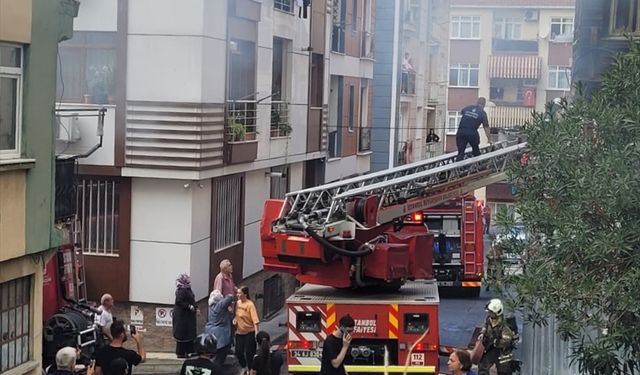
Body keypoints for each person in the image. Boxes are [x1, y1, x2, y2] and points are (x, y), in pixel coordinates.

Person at [478, 299, 515, 375]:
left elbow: (507, 340)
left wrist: (496, 342)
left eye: (491, 312)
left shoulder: (504, 325)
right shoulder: (490, 319)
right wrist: (482, 333)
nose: (489, 313)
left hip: (503, 351)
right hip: (491, 348)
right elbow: (485, 325)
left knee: (504, 371)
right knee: (483, 366)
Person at [205, 289, 235, 368]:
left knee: (213, 356)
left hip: (210, 333)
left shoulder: (210, 306)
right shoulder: (220, 305)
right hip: (221, 334)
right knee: (219, 359)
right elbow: (230, 297)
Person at [455, 97, 490, 162]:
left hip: (461, 132)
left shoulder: (468, 107)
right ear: (484, 105)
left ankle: (456, 169)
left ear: (477, 102)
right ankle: (479, 165)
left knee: (460, 153)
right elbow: (486, 127)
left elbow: (462, 112)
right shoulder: (483, 113)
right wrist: (489, 139)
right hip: (472, 133)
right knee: (476, 151)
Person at [235, 286, 260, 374]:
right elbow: (238, 314)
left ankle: (250, 370)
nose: (237, 295)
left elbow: (255, 321)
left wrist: (257, 333)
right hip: (239, 332)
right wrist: (235, 319)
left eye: (239, 293)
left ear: (245, 294)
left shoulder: (250, 305)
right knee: (238, 352)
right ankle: (243, 365)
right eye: (237, 293)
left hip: (249, 332)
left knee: (249, 353)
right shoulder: (238, 303)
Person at [173, 273, 198, 358]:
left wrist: (195, 307)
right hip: (182, 316)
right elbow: (179, 301)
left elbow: (192, 299)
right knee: (183, 333)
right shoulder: (181, 290)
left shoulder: (188, 288)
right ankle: (181, 353)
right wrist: (189, 306)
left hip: (188, 316)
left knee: (189, 333)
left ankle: (189, 351)